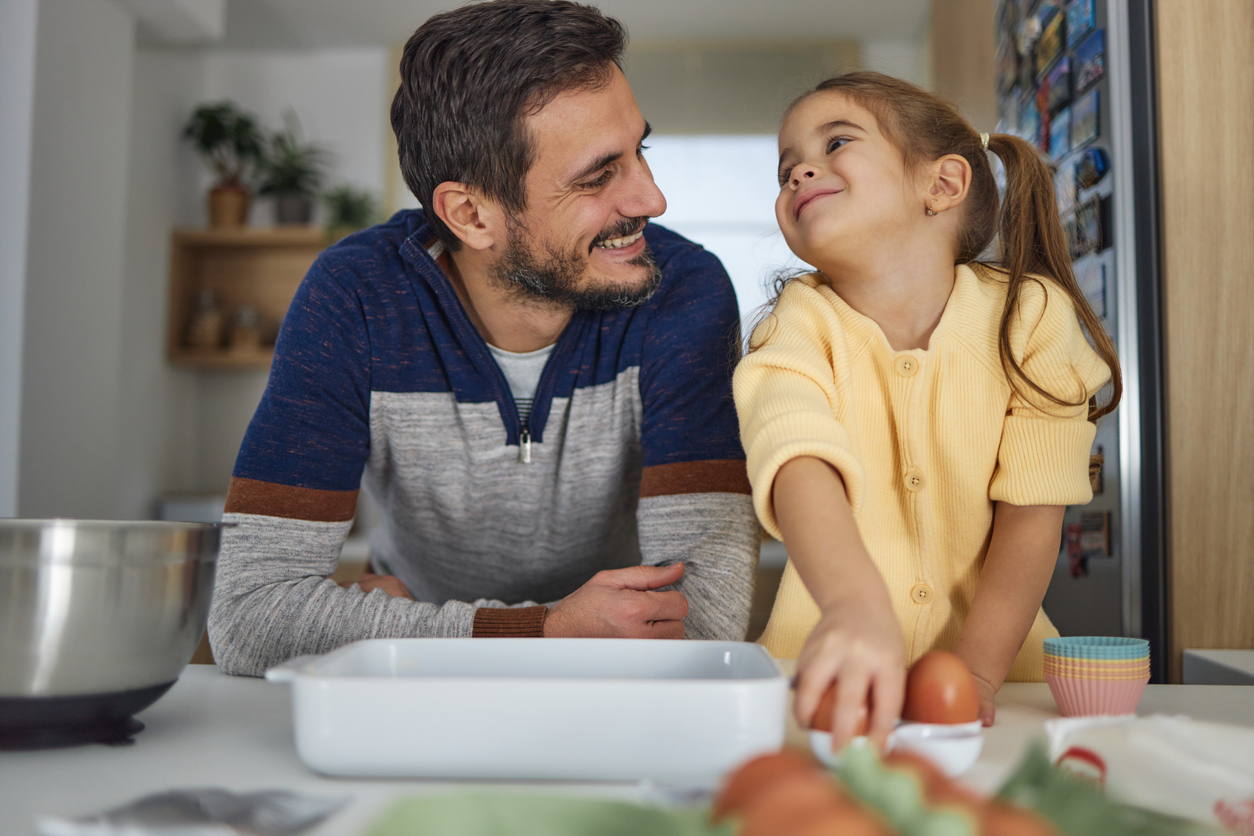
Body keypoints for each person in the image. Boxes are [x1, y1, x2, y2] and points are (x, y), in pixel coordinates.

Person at [207, 0, 759, 677]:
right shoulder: (353, 299)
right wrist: (542, 632)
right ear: (470, 215)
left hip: (585, 690)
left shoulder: (683, 291)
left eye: (639, 150)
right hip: (420, 694)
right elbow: (249, 615)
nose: (651, 198)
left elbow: (703, 616)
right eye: (598, 176)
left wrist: (394, 634)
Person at [733, 72, 1121, 750]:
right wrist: (854, 608)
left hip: (1009, 679)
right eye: (786, 167)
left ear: (941, 185)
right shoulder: (794, 325)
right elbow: (795, 454)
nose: (799, 173)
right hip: (821, 677)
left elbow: (1033, 512)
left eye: (836, 143)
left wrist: (978, 670)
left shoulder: (1030, 319)